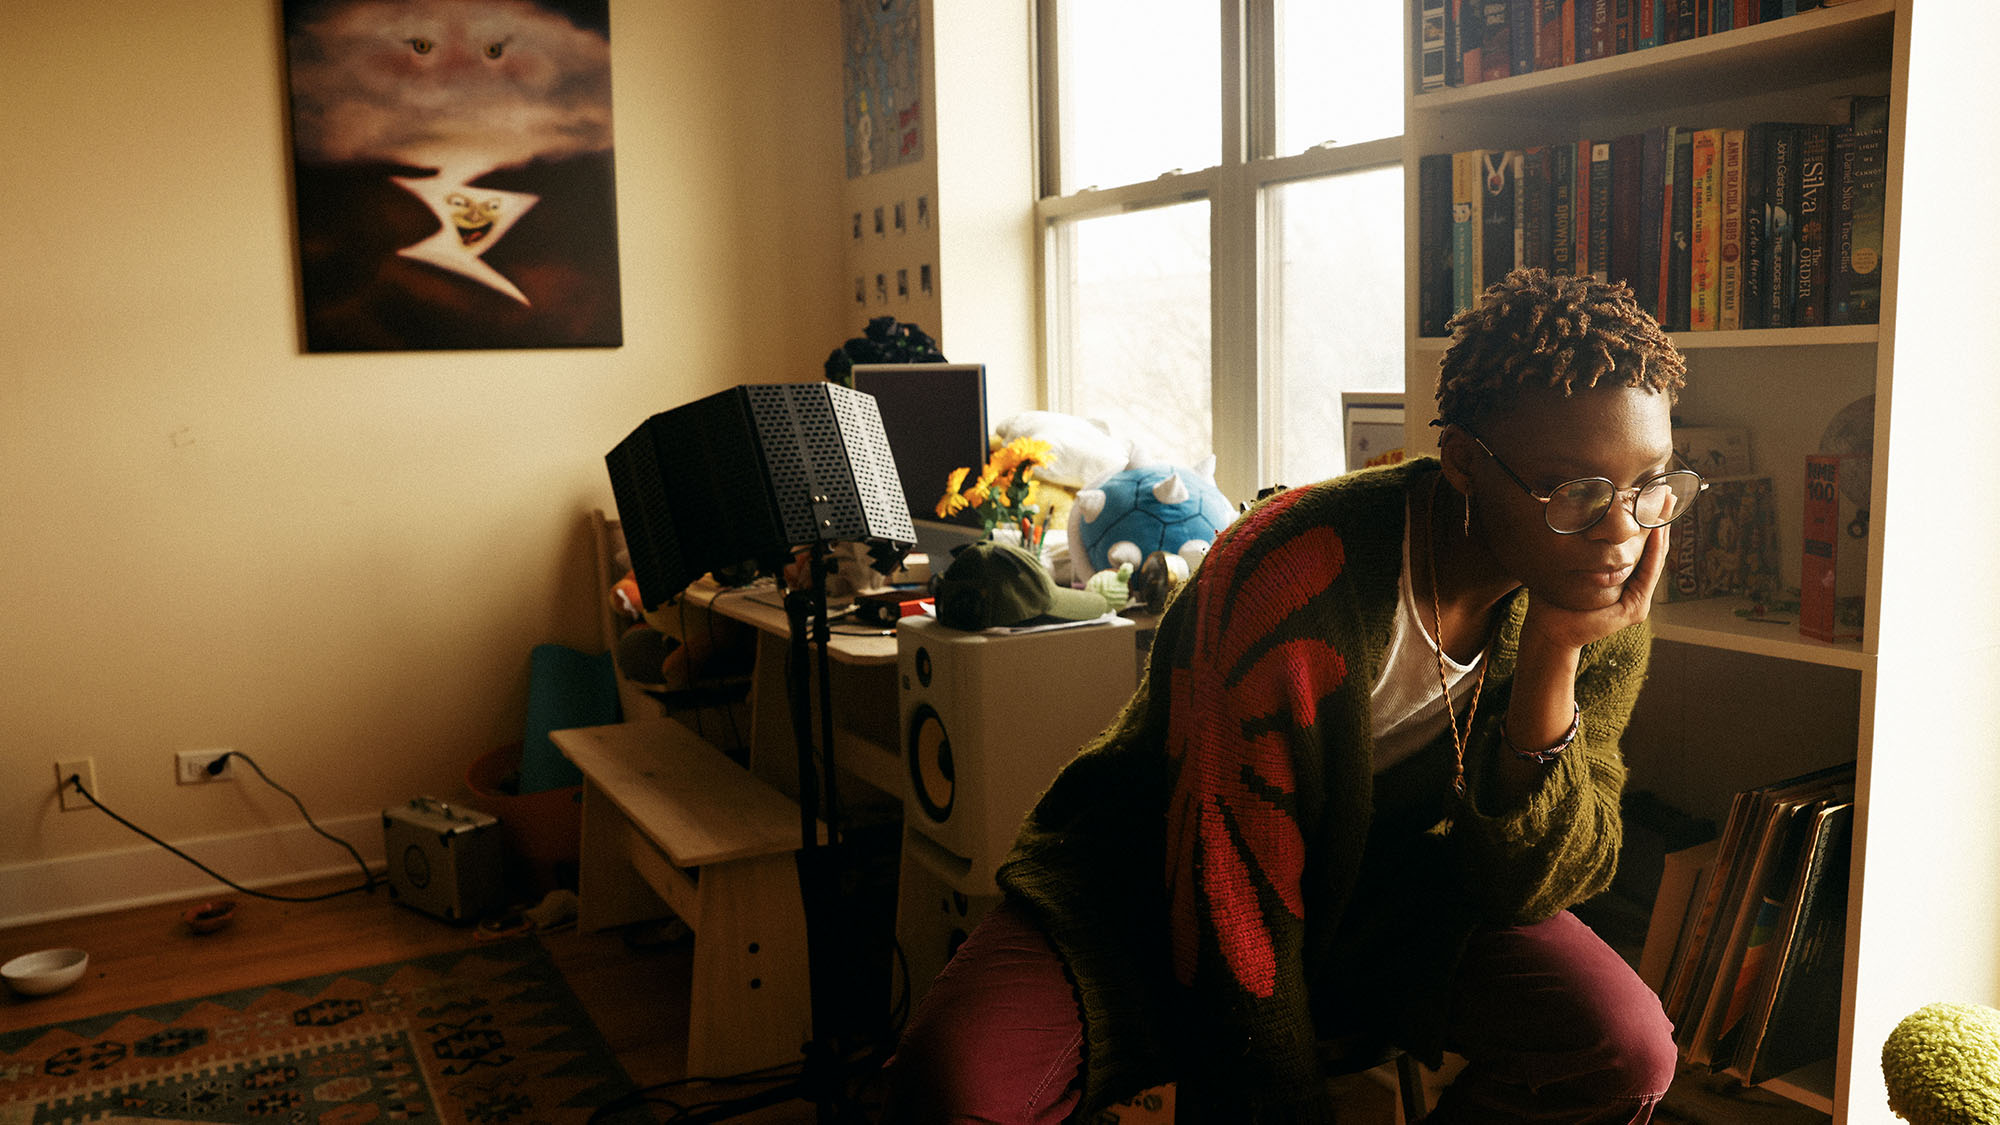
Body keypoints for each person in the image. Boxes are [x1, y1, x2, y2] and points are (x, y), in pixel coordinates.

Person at [884, 268, 1694, 1123]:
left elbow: (1530, 885)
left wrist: (1553, 654)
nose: (1622, 531)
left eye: (1650, 485)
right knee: (950, 1084)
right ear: (1463, 464)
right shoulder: (1288, 572)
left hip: (1384, 891)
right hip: (1150, 873)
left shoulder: (1590, 589)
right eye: (1577, 491)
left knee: (1626, 1049)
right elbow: (1227, 887)